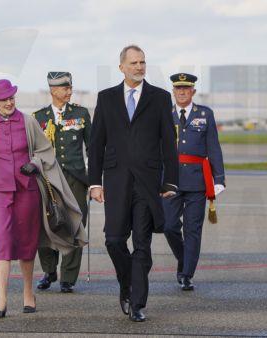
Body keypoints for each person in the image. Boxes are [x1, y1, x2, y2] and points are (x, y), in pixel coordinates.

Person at [0, 79, 87, 319]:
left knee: (26, 243)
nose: (9, 102)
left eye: (11, 97)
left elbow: (45, 150)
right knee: (2, 242)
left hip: (27, 189)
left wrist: (34, 164)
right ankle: (1, 299)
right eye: (3, 99)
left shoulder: (28, 121)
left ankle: (27, 293)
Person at [88, 45, 178, 322]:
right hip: (116, 181)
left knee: (142, 244)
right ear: (122, 67)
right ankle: (127, 284)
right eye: (134, 63)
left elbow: (168, 143)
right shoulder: (106, 99)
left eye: (143, 62)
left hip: (148, 183)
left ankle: (137, 302)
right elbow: (96, 143)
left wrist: (170, 181)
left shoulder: (160, 98)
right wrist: (94, 183)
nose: (139, 67)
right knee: (114, 240)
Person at [163, 73, 225, 291]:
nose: (181, 92)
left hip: (198, 181)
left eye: (186, 88)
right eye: (178, 88)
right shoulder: (164, 113)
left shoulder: (205, 114)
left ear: (193, 91)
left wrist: (219, 179)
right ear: (173, 91)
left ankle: (186, 274)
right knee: (169, 226)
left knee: (193, 230)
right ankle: (184, 259)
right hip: (169, 179)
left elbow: (214, 147)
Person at [33, 72, 91, 293]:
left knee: (75, 225)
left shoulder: (81, 114)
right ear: (52, 90)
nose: (69, 91)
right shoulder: (38, 117)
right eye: (64, 88)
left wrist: (94, 180)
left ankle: (68, 277)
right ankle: (49, 271)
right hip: (47, 178)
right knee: (46, 224)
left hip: (75, 178)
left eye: (70, 87)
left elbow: (92, 147)